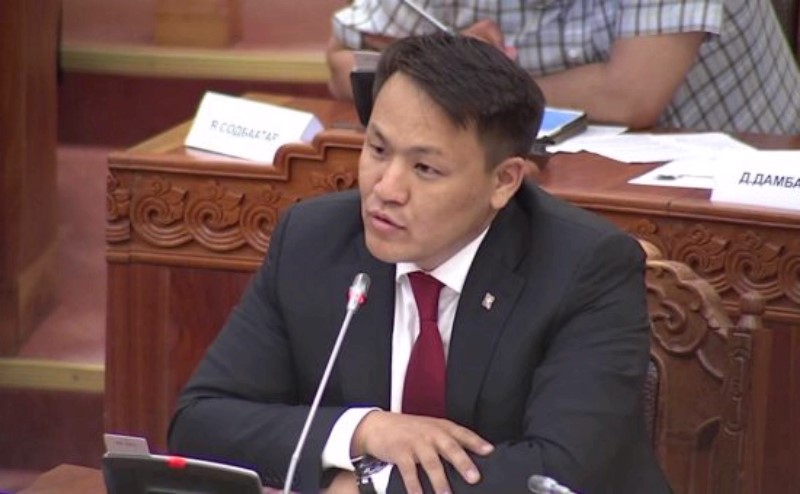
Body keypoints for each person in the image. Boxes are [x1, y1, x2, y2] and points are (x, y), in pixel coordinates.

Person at [169, 33, 670, 493]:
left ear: (504, 181)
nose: (386, 189)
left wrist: (366, 488)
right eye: (377, 149)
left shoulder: (585, 267)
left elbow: (558, 474)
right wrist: (364, 430)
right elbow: (200, 422)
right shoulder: (313, 240)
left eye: (425, 168)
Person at [327, 0, 800, 135]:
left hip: (741, 193)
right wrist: (444, 60)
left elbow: (630, 97)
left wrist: (476, 77)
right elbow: (341, 64)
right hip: (554, 181)